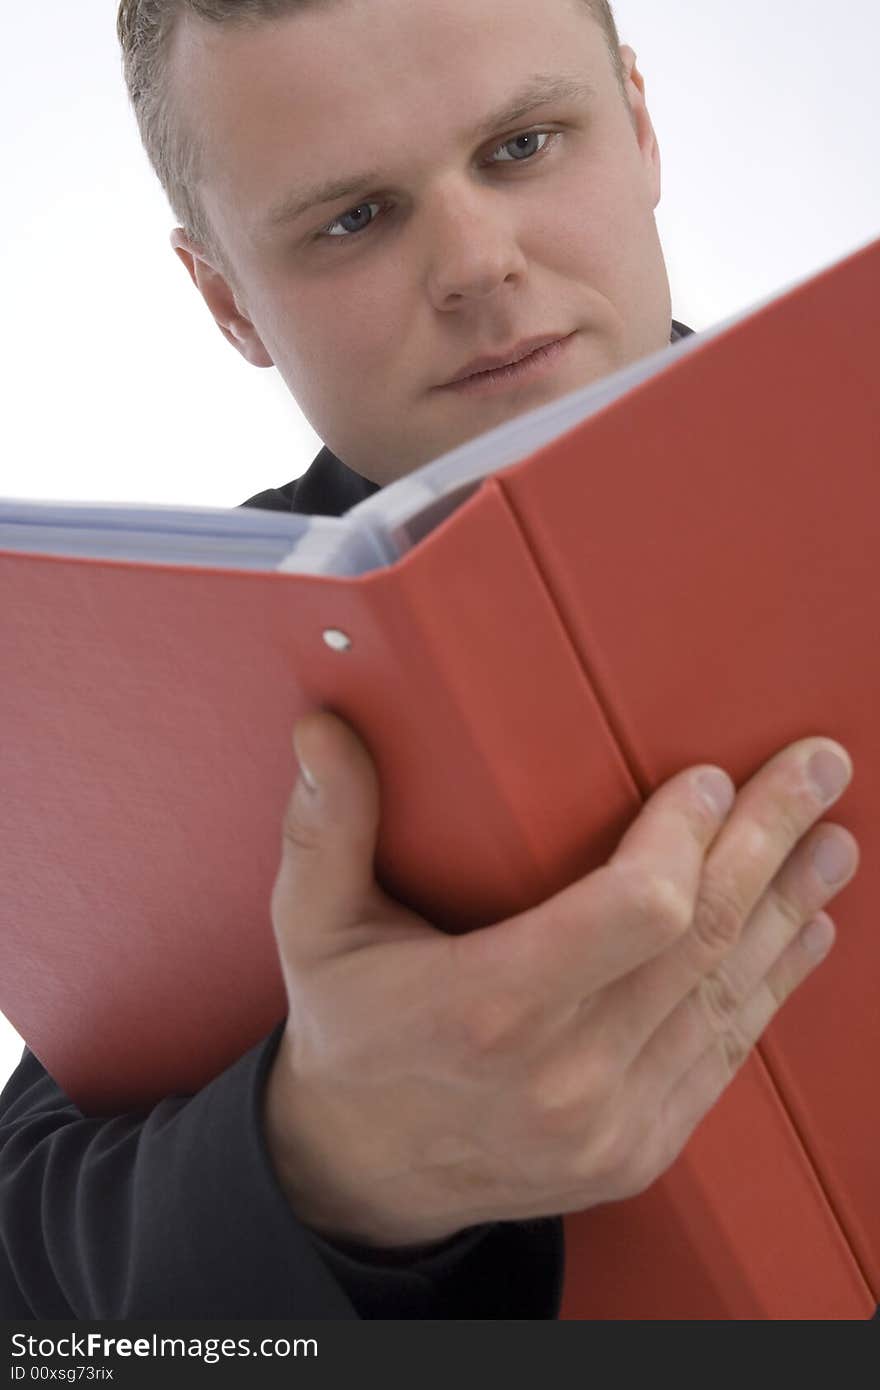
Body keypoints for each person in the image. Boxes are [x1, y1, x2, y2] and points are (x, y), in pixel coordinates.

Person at [0, 0, 863, 1319]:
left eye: (522, 146)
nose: (475, 261)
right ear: (228, 298)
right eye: (353, 219)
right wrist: (325, 1166)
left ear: (638, 126)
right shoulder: (188, 658)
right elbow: (36, 1282)